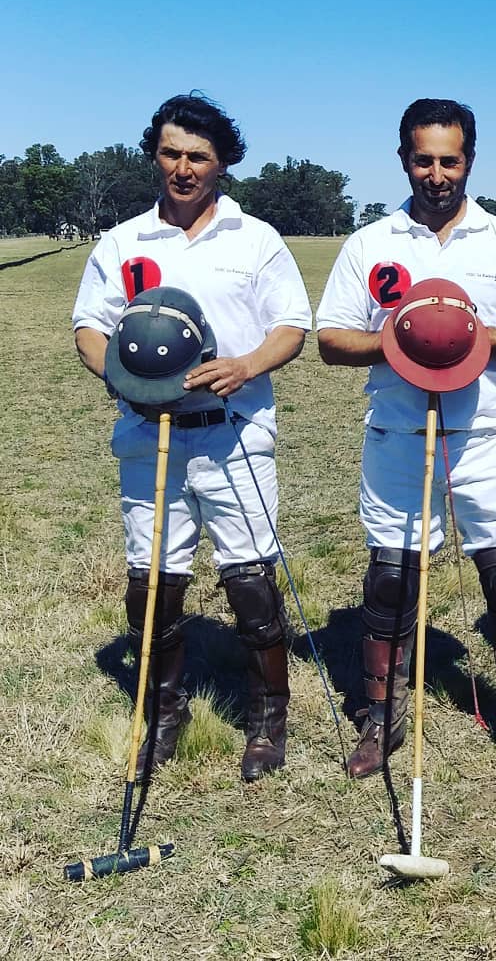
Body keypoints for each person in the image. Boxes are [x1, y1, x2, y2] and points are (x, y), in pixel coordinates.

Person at [316, 98, 496, 777]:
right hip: (399, 431)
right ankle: (382, 712)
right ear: (404, 160)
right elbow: (332, 338)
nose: (436, 173)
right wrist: (403, 340)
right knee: (392, 577)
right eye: (422, 159)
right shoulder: (372, 243)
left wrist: (470, 339)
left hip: (484, 432)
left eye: (448, 160)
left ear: (469, 161)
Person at [72, 92, 311, 782]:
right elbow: (90, 327)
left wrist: (246, 365)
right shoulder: (122, 242)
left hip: (233, 432)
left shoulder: (254, 238)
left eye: (198, 157)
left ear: (223, 163)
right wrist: (120, 380)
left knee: (250, 576)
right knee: (153, 579)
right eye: (172, 152)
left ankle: (268, 716)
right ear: (156, 153)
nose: (183, 168)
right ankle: (165, 711)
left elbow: (291, 325)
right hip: (150, 433)